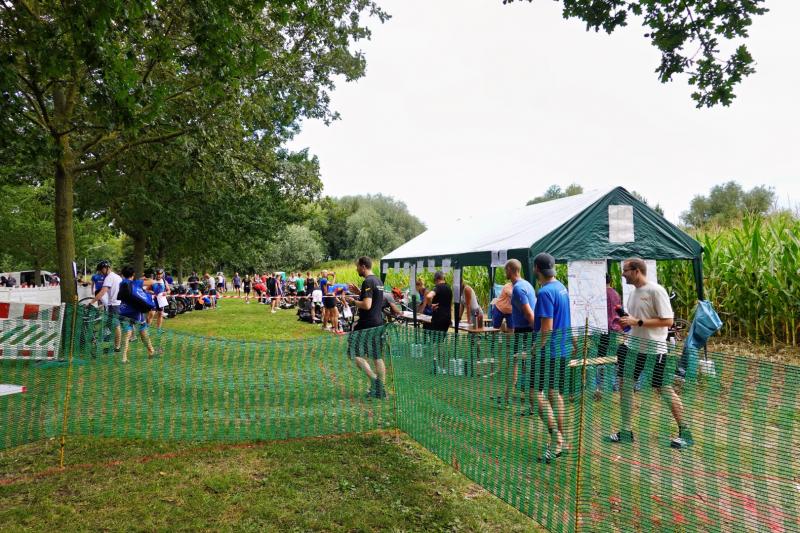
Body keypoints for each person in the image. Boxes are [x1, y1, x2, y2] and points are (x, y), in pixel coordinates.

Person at [606, 257, 693, 449]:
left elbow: (668, 321)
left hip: (654, 350)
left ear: (636, 271)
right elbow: (636, 321)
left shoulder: (656, 291)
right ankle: (626, 431)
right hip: (633, 348)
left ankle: (685, 432)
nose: (622, 274)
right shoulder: (632, 294)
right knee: (625, 385)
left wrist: (637, 322)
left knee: (664, 389)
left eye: (625, 270)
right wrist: (627, 322)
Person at [530, 253, 572, 464]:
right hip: (562, 349)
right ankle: (561, 441)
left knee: (534, 394)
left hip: (548, 352)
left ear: (537, 268)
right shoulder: (561, 288)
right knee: (555, 393)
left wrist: (533, 350)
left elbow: (546, 329)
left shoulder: (545, 292)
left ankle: (557, 440)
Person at [346, 256, 387, 399]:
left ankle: (376, 382)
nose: (356, 269)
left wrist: (353, 301)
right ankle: (380, 390)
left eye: (357, 266)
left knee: (353, 353)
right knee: (377, 356)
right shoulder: (378, 281)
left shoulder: (368, 281)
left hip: (367, 324)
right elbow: (374, 299)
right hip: (378, 323)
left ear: (363, 266)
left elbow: (367, 305)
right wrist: (360, 292)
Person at [498, 259, 536, 412]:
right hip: (523, 330)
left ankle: (532, 404)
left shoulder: (519, 289)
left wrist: (536, 332)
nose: (504, 273)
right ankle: (507, 397)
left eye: (505, 270)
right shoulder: (527, 284)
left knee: (519, 364)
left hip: (525, 331)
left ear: (509, 269)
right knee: (518, 363)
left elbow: (529, 313)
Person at [117, 266, 159, 363]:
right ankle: (151, 351)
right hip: (135, 312)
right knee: (143, 329)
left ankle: (124, 358)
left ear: (123, 274)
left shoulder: (122, 283)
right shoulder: (136, 283)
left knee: (127, 333)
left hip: (123, 310)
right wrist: (145, 278)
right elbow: (152, 282)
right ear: (133, 274)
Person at [595, 273, 623, 400]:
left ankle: (600, 386)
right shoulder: (616, 294)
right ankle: (613, 385)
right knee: (613, 358)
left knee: (600, 358)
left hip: (603, 329)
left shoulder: (600, 294)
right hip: (615, 329)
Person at [92, 260, 123, 353]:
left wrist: (91, 302)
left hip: (113, 304)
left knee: (116, 326)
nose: (101, 273)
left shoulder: (108, 278)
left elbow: (102, 292)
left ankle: (117, 347)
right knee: (111, 325)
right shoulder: (117, 277)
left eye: (101, 270)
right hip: (118, 303)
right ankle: (114, 345)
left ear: (106, 268)